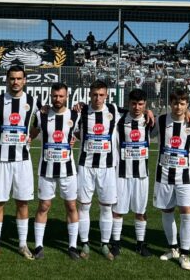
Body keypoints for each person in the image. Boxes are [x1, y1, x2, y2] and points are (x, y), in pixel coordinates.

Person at [0, 65, 41, 260]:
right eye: (12, 78)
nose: (15, 82)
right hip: (0, 160)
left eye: (19, 78)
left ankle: (23, 245)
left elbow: (44, 119)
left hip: (22, 160)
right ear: (7, 80)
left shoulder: (32, 101)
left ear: (25, 80)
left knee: (22, 203)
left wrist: (32, 134)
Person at [153, 89, 190, 271]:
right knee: (167, 211)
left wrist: (188, 149)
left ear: (187, 105)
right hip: (164, 175)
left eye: (182, 103)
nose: (178, 107)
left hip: (185, 176)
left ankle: (185, 254)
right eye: (175, 103)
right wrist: (147, 112)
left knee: (187, 212)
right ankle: (173, 248)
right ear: (170, 104)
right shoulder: (161, 121)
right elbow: (145, 130)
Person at [30, 83, 81, 260]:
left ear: (67, 97)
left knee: (71, 206)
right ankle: (38, 246)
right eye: (55, 96)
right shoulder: (41, 114)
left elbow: (81, 133)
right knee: (44, 206)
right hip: (47, 169)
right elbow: (33, 133)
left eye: (61, 96)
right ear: (51, 96)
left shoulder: (75, 115)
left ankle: (72, 246)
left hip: (68, 170)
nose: (57, 99)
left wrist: (74, 138)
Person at [76, 80, 120, 260]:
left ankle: (104, 243)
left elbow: (136, 112)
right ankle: (85, 243)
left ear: (106, 95)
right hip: (85, 166)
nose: (98, 98)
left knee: (106, 207)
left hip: (107, 167)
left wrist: (148, 111)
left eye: (101, 95)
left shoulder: (114, 110)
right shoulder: (81, 111)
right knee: (84, 206)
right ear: (89, 95)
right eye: (94, 94)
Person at [110, 89, 152, 258]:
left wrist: (150, 112)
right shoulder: (119, 119)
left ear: (145, 105)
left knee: (140, 211)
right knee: (117, 210)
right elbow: (104, 106)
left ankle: (140, 244)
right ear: (128, 104)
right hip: (121, 173)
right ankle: (116, 243)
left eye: (140, 104)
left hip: (141, 175)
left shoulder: (150, 121)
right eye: (133, 104)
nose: (137, 107)